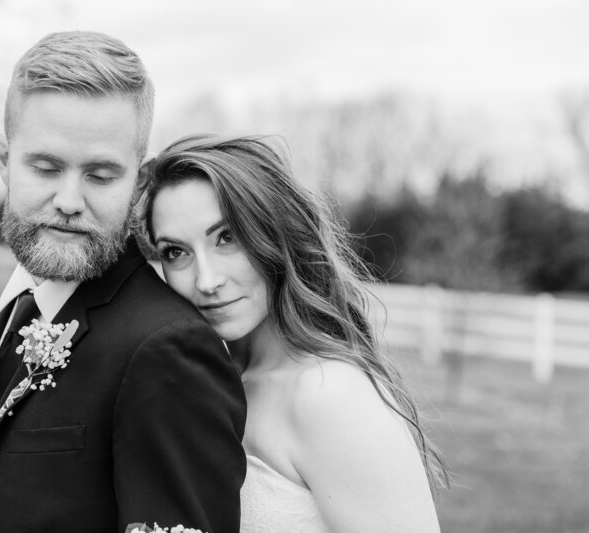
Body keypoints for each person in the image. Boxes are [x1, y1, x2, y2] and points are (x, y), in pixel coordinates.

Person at [0, 33, 246, 533]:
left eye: (101, 175)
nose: (68, 199)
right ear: (3, 159)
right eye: (45, 167)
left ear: (140, 182)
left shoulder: (168, 349)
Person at [143, 134, 449, 533]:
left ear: (276, 233)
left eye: (227, 237)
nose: (207, 280)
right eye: (175, 252)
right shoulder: (206, 384)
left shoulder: (329, 394)